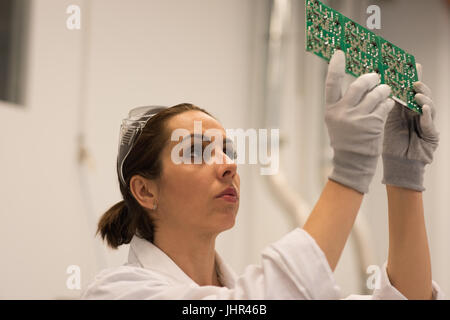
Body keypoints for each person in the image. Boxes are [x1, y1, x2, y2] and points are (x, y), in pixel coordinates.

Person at [81, 50, 444, 300]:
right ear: (145, 191)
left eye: (228, 151)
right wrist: (350, 169)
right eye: (194, 151)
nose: (228, 165)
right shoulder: (118, 291)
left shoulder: (246, 289)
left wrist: (405, 176)